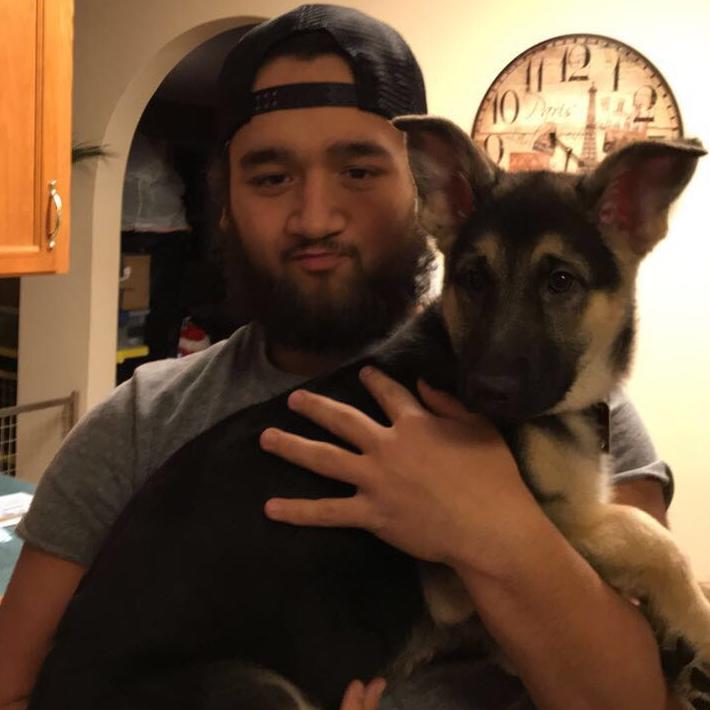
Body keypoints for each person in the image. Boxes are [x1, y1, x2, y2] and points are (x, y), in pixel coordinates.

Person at [0, 5, 680, 709]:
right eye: (270, 178)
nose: (316, 218)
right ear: (225, 204)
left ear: (427, 196)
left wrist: (497, 530)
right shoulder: (138, 425)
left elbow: (641, 696)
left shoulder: (568, 409)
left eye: (358, 170)